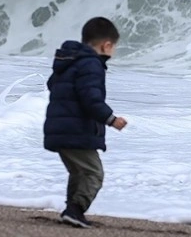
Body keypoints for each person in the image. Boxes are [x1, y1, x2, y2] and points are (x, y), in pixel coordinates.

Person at [43, 17, 128, 228]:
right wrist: (111, 119)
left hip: (59, 128)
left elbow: (53, 85)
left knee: (79, 172)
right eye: (113, 47)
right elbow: (91, 99)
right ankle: (75, 209)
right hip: (76, 130)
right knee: (93, 173)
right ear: (106, 45)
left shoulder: (68, 61)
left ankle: (72, 210)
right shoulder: (92, 64)